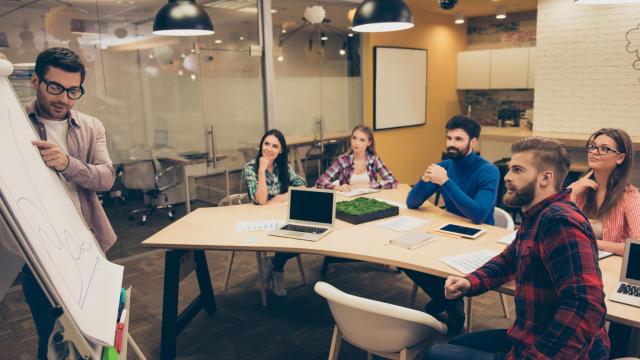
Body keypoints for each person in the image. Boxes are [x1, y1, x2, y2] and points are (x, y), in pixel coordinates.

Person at [425, 137, 610, 360]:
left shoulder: (559, 221)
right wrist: (470, 282)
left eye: (518, 170)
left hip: (553, 349)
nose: (507, 177)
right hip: (527, 335)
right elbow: (509, 260)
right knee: (451, 346)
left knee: (437, 354)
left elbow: (586, 306)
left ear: (545, 178)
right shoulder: (537, 214)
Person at [20, 47, 117, 359]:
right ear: (35, 81)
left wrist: (67, 163)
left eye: (73, 90)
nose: (64, 98)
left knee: (97, 330)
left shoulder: (91, 126)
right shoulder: (14, 125)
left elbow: (106, 177)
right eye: (55, 88)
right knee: (51, 335)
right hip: (39, 250)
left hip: (88, 244)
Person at [403, 115, 499, 335]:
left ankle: (446, 302)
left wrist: (445, 182)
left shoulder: (488, 170)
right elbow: (412, 202)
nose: (451, 144)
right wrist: (424, 180)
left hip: (481, 237)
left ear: (473, 142)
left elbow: (478, 214)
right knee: (405, 255)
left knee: (440, 264)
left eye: (458, 139)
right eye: (449, 138)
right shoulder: (444, 166)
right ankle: (447, 300)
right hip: (448, 232)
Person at [243, 129, 306, 296]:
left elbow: (302, 186)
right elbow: (261, 200)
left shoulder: (283, 166)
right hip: (260, 220)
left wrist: (282, 196)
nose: (269, 149)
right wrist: (262, 171)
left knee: (304, 238)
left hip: (281, 216)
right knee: (289, 239)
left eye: (275, 146)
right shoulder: (251, 167)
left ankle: (274, 264)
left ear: (281, 150)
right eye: (266, 144)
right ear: (261, 145)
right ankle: (278, 270)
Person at [568, 128, 640, 256]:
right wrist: (572, 194)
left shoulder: (630, 196)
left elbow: (637, 246)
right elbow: (552, 228)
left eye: (604, 149)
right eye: (592, 147)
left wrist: (591, 242)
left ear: (620, 158)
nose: (594, 152)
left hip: (610, 266)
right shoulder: (579, 188)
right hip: (576, 258)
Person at [315, 124, 398, 191]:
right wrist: (336, 187)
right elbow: (320, 182)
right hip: (347, 202)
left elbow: (393, 182)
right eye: (354, 138)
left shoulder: (374, 160)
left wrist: (368, 185)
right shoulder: (342, 161)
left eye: (362, 140)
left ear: (369, 143)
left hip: (370, 201)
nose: (356, 143)